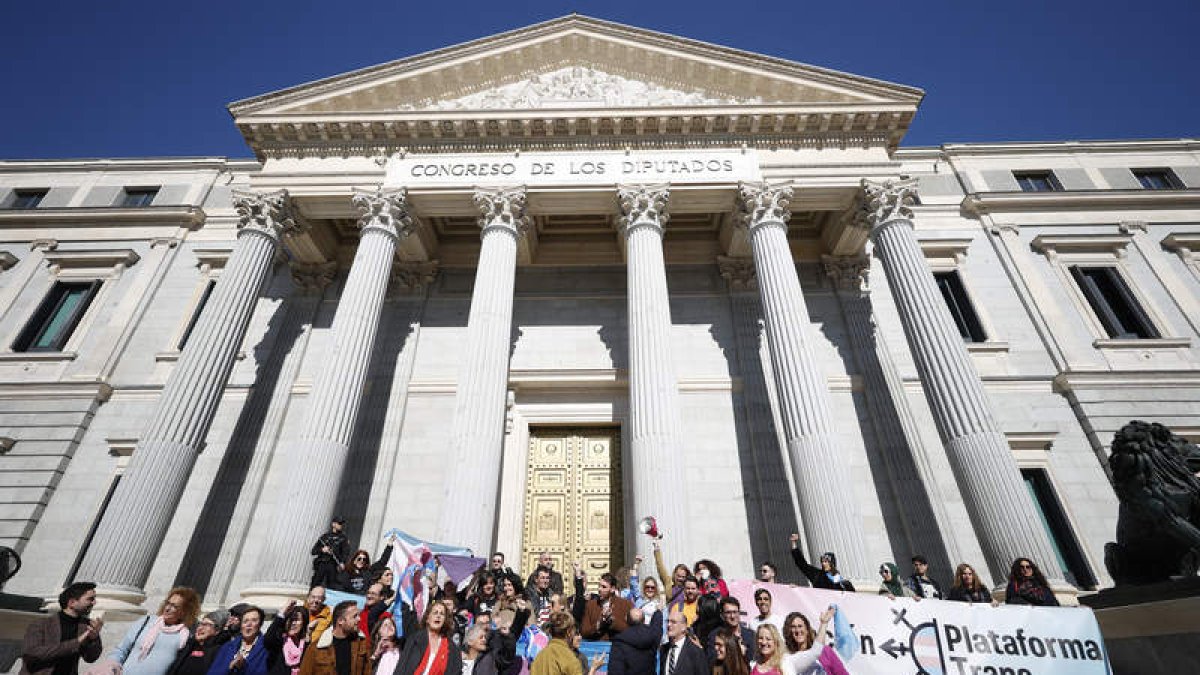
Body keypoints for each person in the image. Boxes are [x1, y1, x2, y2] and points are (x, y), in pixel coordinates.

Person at [105, 587, 201, 675]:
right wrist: (111, 667)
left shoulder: (185, 636)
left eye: (175, 606)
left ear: (185, 611)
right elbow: (121, 650)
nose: (167, 608)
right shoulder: (146, 622)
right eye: (168, 603)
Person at [19, 581, 103, 675]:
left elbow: (91, 658)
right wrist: (77, 642)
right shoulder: (41, 624)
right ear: (72, 602)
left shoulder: (86, 625)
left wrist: (93, 639)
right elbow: (32, 653)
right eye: (90, 599)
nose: (94, 602)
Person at [298, 601, 370, 675]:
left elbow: (367, 670)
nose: (359, 619)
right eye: (355, 616)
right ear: (340, 621)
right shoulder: (316, 648)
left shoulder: (361, 643)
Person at [392, 602, 461, 675]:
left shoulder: (452, 648)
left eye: (442, 614)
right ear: (427, 619)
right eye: (435, 613)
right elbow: (402, 666)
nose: (438, 616)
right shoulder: (415, 639)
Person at [168, 611, 234, 675]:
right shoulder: (189, 645)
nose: (200, 628)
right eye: (200, 624)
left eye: (206, 625)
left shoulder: (218, 651)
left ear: (217, 631)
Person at [207, 606, 267, 675]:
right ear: (241, 625)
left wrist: (243, 667)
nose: (248, 624)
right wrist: (230, 667)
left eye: (254, 620)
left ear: (260, 624)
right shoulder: (227, 646)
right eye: (245, 621)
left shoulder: (266, 648)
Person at [780, 608, 838, 675]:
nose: (797, 630)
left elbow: (842, 673)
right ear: (789, 632)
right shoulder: (787, 658)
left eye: (800, 626)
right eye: (793, 627)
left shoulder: (826, 651)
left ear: (807, 629)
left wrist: (824, 623)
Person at [787, 535, 854, 592]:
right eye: (822, 561)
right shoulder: (817, 575)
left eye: (826, 561)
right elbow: (802, 564)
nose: (824, 564)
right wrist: (794, 543)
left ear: (832, 563)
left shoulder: (839, 579)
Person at [607, 607, 662, 675]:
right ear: (644, 620)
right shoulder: (653, 636)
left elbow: (615, 671)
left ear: (626, 619)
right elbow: (657, 626)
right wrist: (658, 612)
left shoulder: (619, 641)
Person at [579, 572, 633, 641]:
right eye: (599, 586)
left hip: (618, 647)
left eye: (604, 587)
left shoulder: (626, 604)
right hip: (596, 648)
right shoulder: (591, 605)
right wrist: (598, 624)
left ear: (612, 589)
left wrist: (612, 621)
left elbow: (631, 631)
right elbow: (584, 632)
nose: (599, 589)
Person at [263, 603, 309, 675]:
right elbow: (268, 640)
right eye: (290, 620)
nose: (293, 623)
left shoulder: (306, 645)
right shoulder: (279, 641)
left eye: (296, 620)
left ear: (304, 623)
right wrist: (282, 613)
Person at [705, 597, 755, 664]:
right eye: (728, 613)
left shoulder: (750, 635)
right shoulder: (714, 635)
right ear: (722, 615)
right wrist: (735, 653)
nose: (732, 616)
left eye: (735, 612)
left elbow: (755, 660)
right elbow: (711, 661)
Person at [660, 609, 707, 675]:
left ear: (684, 627)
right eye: (668, 621)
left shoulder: (695, 652)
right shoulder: (663, 649)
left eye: (673, 622)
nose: (668, 625)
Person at [312, 518, 350, 590]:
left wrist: (342, 562)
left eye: (341, 524)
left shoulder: (343, 538)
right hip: (321, 564)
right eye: (339, 523)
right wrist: (322, 550)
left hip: (333, 564)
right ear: (333, 524)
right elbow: (313, 551)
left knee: (331, 585)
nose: (341, 525)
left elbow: (345, 553)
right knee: (315, 583)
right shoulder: (324, 537)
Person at [653, 540, 691, 604]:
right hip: (670, 613)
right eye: (678, 576)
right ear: (674, 574)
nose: (680, 579)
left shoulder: (689, 586)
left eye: (683, 577)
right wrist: (657, 548)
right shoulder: (668, 582)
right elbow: (660, 566)